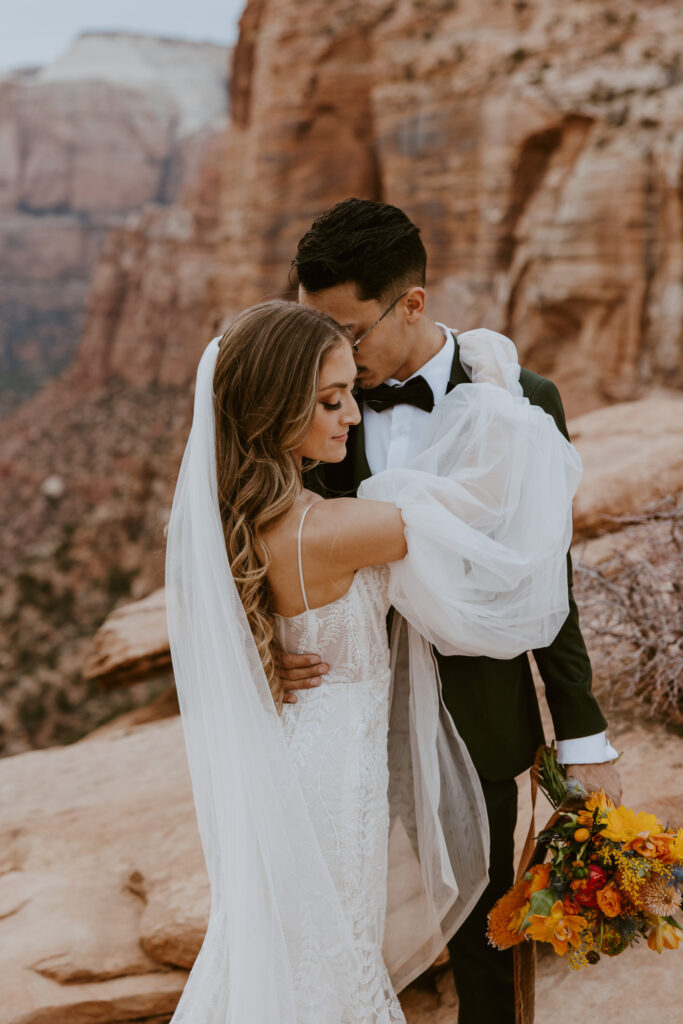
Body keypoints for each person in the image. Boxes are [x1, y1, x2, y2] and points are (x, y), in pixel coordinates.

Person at [165, 299, 584, 1023]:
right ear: (273, 409)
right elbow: (489, 506)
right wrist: (491, 370)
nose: (352, 417)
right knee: (329, 965)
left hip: (307, 759)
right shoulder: (331, 529)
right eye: (330, 402)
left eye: (348, 396)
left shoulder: (246, 520)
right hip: (332, 780)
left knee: (303, 955)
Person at [282, 198, 622, 1023]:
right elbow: (262, 536)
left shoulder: (524, 400)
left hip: (476, 714)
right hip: (343, 712)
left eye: (349, 332)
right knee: (343, 920)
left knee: (486, 940)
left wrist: (582, 736)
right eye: (319, 331)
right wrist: (263, 644)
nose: (335, 355)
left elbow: (546, 580)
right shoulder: (313, 403)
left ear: (412, 304)